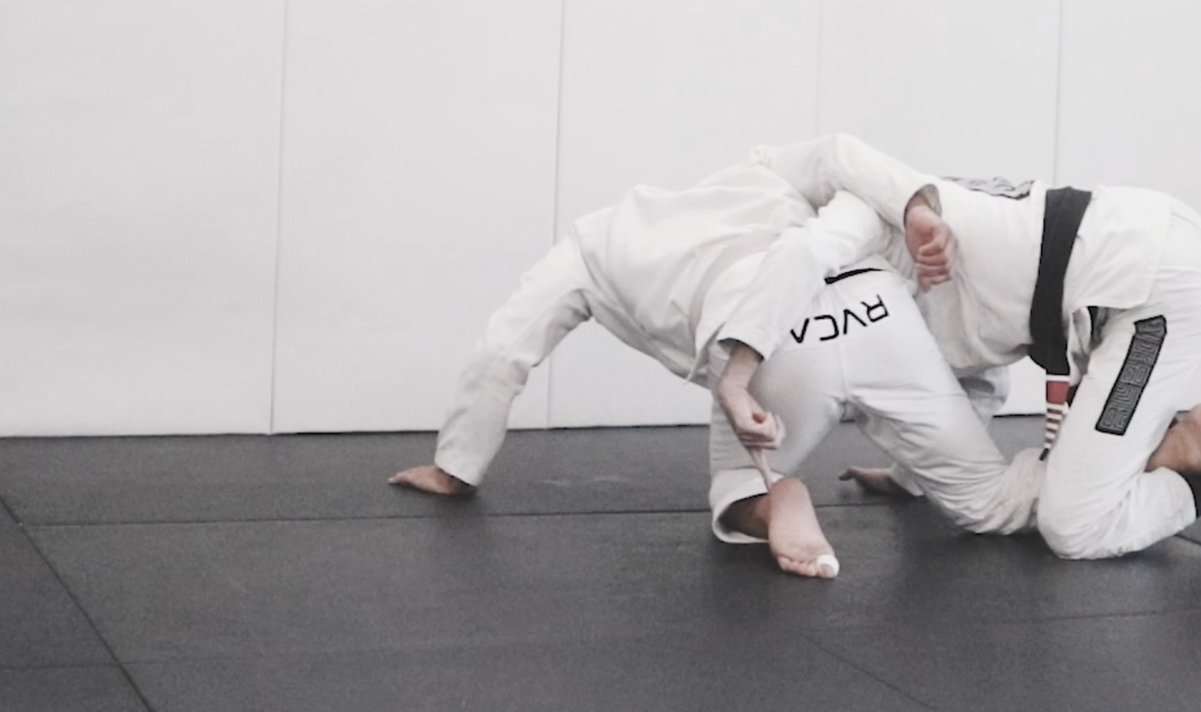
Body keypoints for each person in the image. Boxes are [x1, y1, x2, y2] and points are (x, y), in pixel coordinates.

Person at [387, 158, 1037, 577]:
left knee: (737, 488)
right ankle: (1075, 474)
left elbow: (503, 350)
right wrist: (918, 206)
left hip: (765, 335)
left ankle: (772, 498)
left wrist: (457, 465)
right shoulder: (759, 176)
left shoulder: (587, 250)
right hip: (873, 301)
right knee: (991, 503)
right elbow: (847, 160)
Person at [751, 134, 1201, 559]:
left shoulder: (862, 238)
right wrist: (910, 476)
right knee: (1082, 478)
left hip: (1144, 288)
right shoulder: (885, 255)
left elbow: (835, 152)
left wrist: (916, 211)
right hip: (1135, 240)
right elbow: (973, 385)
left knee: (1076, 527)